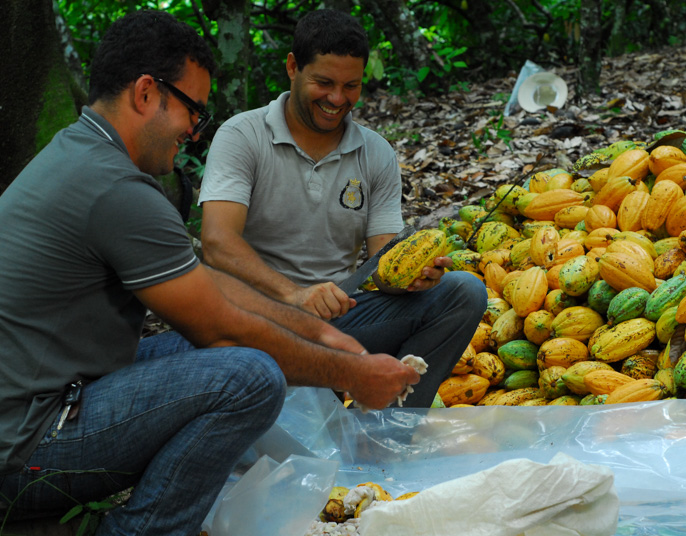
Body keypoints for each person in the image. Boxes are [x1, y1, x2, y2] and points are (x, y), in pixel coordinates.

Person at [0, 10, 421, 534]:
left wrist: (317, 332)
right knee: (251, 376)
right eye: (193, 111)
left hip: (41, 407)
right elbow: (220, 327)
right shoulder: (116, 190)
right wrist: (352, 374)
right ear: (146, 93)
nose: (194, 133)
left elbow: (205, 283)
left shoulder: (80, 152)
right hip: (26, 446)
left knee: (219, 351)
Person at [199, 9, 487, 407]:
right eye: (324, 83)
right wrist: (294, 295)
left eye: (351, 86)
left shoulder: (375, 153)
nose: (337, 99)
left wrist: (412, 277)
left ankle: (390, 429)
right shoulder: (243, 135)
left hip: (341, 317)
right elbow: (217, 242)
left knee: (464, 291)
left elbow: (383, 265)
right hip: (255, 319)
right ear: (292, 67)